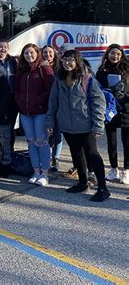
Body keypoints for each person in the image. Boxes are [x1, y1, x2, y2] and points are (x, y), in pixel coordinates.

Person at [47, 49, 110, 201]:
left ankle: (103, 188)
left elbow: (98, 102)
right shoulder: (59, 79)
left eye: (71, 60)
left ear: (77, 62)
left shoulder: (87, 79)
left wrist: (98, 125)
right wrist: (50, 122)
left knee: (92, 154)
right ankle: (82, 182)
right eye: (65, 60)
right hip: (67, 126)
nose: (68, 63)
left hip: (85, 125)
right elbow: (53, 101)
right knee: (76, 153)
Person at [14, 43, 54, 186]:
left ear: (37, 53)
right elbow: (16, 88)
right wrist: (19, 100)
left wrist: (39, 100)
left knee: (42, 142)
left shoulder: (44, 68)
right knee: (31, 142)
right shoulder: (22, 69)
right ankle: (35, 171)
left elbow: (51, 88)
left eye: (32, 53)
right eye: (26, 53)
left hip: (40, 111)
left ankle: (45, 173)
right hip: (25, 112)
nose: (29, 56)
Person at [96, 43, 129, 184]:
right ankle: (113, 168)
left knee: (127, 143)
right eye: (112, 53)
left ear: (121, 56)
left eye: (117, 54)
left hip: (126, 108)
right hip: (110, 109)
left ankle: (126, 171)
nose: (114, 56)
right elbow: (98, 89)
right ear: (107, 54)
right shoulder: (102, 70)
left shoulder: (127, 70)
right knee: (111, 141)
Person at [41, 44, 62, 171]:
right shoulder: (39, 66)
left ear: (54, 54)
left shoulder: (60, 67)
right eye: (45, 53)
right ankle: (47, 157)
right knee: (47, 132)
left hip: (58, 104)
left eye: (50, 52)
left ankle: (56, 158)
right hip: (44, 103)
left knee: (58, 133)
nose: (47, 55)